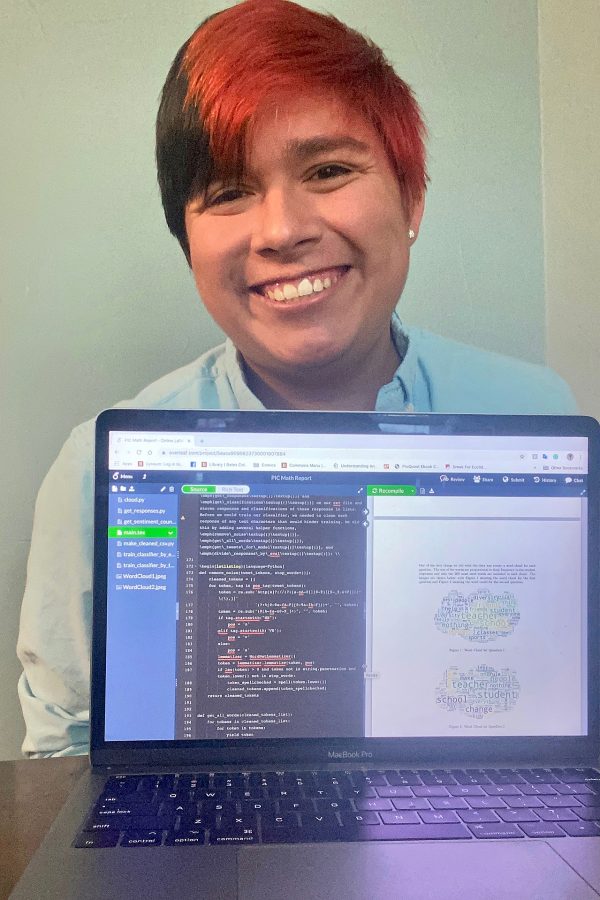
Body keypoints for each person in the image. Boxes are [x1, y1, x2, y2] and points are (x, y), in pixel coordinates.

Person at [17, 0, 576, 757]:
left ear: (411, 198)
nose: (283, 231)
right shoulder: (97, 467)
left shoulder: (535, 416)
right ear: (187, 241)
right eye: (228, 193)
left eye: (328, 170)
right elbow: (66, 752)